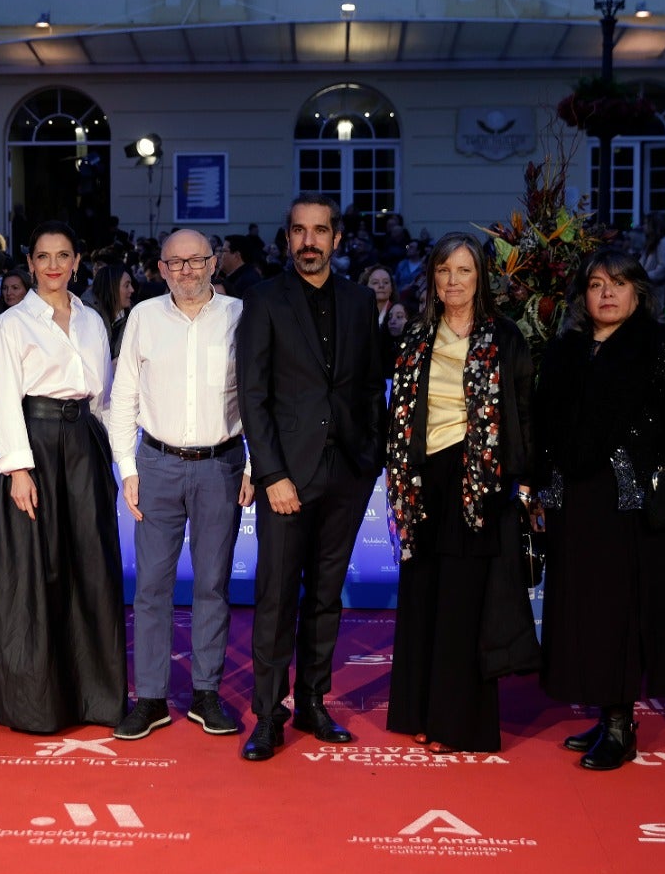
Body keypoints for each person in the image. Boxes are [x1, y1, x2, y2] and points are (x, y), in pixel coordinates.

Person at [535, 246, 665, 772]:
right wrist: (540, 490)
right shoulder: (565, 349)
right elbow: (546, 425)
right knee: (585, 609)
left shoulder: (663, 347)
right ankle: (604, 711)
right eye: (595, 284)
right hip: (576, 499)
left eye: (617, 283)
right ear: (582, 295)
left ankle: (619, 724)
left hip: (632, 501)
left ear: (639, 291)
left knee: (624, 611)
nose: (606, 293)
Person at [236, 192, 387, 761]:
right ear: (287, 237)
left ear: (337, 239)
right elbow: (254, 396)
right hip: (286, 479)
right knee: (275, 599)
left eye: (319, 231)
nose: (308, 241)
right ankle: (269, 715)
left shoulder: (357, 302)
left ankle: (315, 703)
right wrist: (271, 473)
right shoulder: (264, 300)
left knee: (326, 598)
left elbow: (371, 387)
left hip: (346, 474)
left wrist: (367, 458)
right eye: (299, 231)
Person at [384, 233, 539, 754]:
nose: (454, 280)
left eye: (465, 271)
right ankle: (422, 712)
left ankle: (459, 722)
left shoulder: (504, 337)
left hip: (480, 483)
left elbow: (521, 411)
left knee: (465, 604)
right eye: (445, 270)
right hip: (422, 482)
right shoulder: (416, 336)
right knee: (424, 597)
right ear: (432, 277)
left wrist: (521, 480)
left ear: (481, 279)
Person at [0, 220, 127, 733]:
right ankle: (36, 704)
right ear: (29, 263)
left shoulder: (91, 320)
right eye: (43, 257)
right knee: (36, 574)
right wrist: (18, 469)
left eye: (63, 256)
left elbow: (105, 398)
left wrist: (120, 464)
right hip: (35, 446)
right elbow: (5, 404)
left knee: (92, 568)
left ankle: (98, 699)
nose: (53, 266)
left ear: (77, 261)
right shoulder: (11, 325)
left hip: (86, 445)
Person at [108, 229, 252, 741]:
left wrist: (254, 467)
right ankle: (149, 697)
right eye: (175, 262)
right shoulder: (144, 318)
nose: (186, 270)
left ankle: (206, 693)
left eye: (196, 260)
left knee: (213, 584)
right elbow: (122, 395)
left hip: (222, 466)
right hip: (156, 465)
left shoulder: (241, 315)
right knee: (151, 588)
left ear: (215, 263)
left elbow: (259, 396)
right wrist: (127, 467)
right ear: (161, 268)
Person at [89, 263, 135, 359]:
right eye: (126, 286)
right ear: (111, 288)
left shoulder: (132, 315)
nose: (132, 290)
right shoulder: (86, 316)